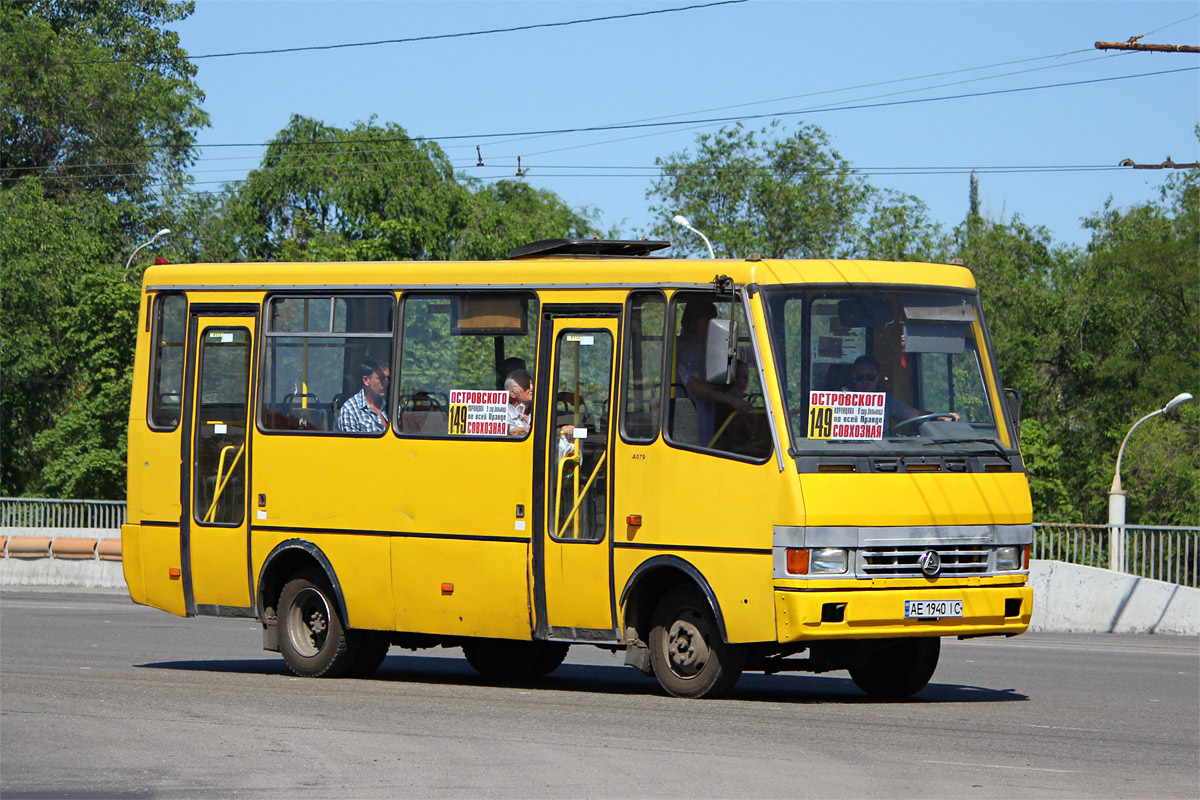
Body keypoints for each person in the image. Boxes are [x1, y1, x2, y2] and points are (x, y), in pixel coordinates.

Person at [676, 300, 752, 445]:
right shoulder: (688, 348)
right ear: (693, 322)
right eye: (707, 322)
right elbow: (694, 384)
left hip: (702, 411)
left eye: (714, 323)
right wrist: (731, 400)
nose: (711, 328)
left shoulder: (704, 347)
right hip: (688, 416)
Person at [850, 354, 957, 433]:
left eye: (870, 376)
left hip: (880, 454)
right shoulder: (841, 401)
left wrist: (941, 417)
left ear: (878, 377)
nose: (865, 381)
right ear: (853, 378)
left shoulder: (887, 402)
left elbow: (916, 415)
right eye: (859, 376)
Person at [504, 368, 575, 459]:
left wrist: (563, 430)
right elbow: (513, 432)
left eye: (532, 384)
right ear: (513, 393)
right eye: (526, 386)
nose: (532, 388)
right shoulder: (503, 414)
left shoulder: (538, 411)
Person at [336, 359, 390, 433]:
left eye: (388, 378)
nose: (386, 383)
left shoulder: (392, 406)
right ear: (366, 380)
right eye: (381, 378)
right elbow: (351, 443)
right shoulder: (350, 410)